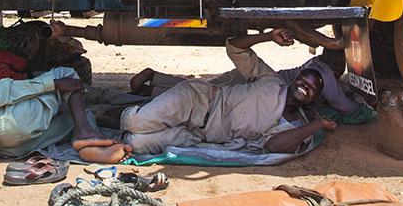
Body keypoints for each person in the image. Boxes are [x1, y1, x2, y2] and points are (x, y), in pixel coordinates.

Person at [104, 29, 336, 155]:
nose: (306, 87)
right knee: (135, 122)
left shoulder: (293, 125)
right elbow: (234, 47)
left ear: (315, 99)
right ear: (294, 80)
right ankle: (103, 113)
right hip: (197, 101)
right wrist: (267, 36)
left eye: (313, 88)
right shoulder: (272, 81)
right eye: (304, 80)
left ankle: (103, 123)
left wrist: (317, 125)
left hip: (199, 135)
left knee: (135, 143)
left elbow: (274, 146)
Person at [0, 24, 130, 164]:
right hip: (4, 125)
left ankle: (88, 145)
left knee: (74, 117)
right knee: (65, 74)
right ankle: (85, 133)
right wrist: (51, 83)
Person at [129, 48, 365, 119]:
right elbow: (343, 105)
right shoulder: (324, 73)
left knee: (202, 90)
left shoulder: (316, 64)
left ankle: (153, 85)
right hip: (252, 88)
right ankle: (153, 82)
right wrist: (366, 106)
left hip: (250, 81)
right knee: (199, 95)